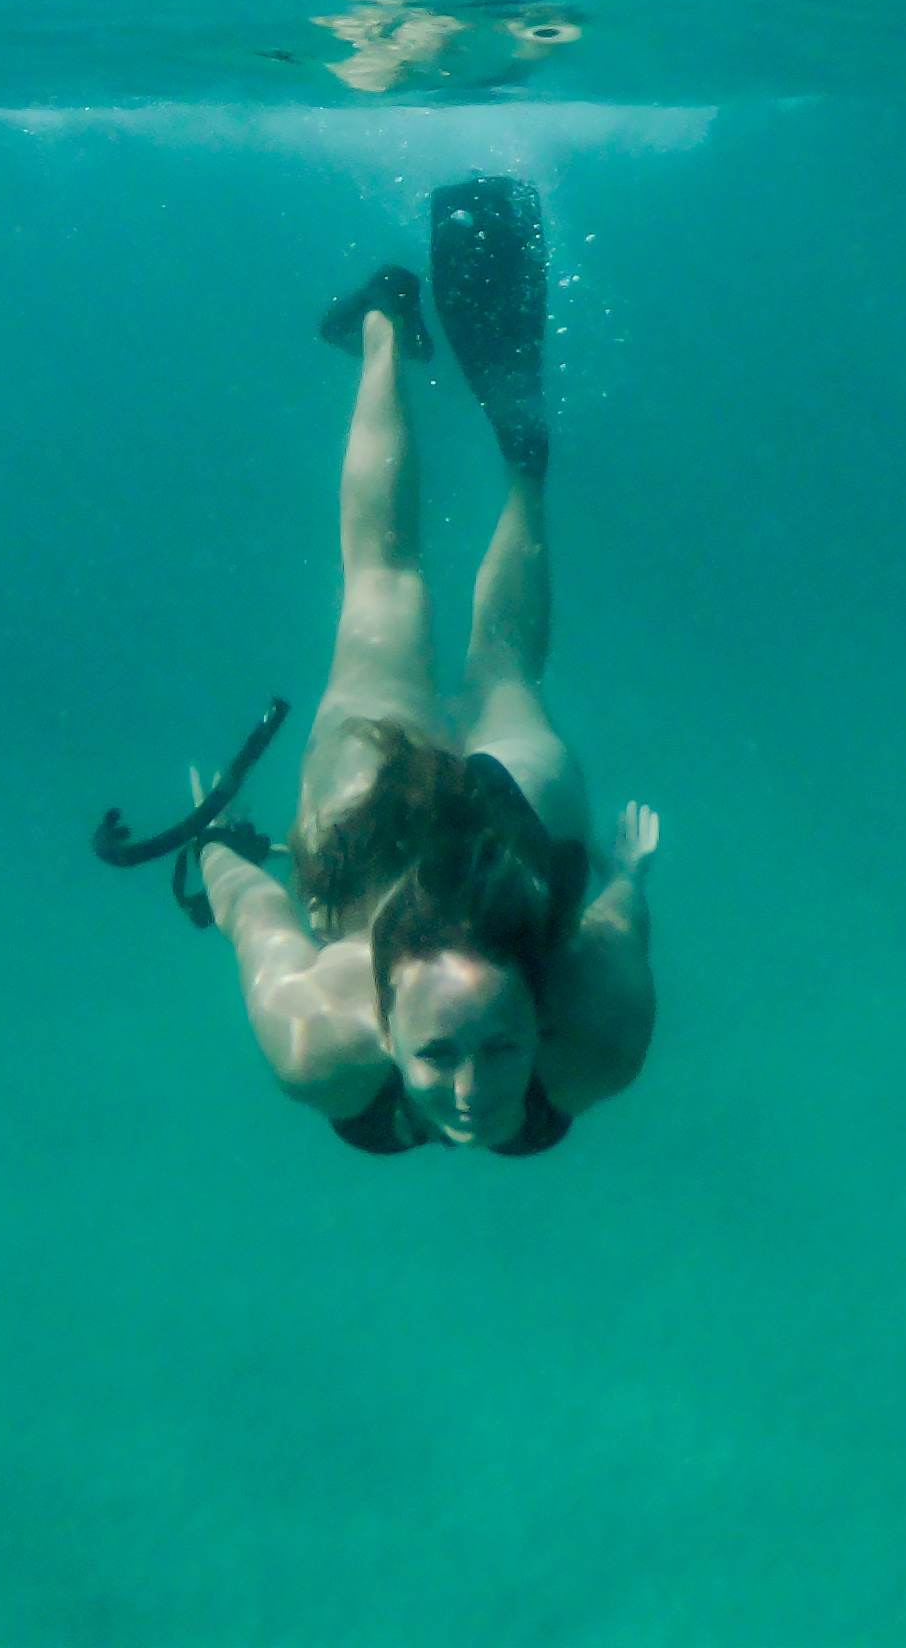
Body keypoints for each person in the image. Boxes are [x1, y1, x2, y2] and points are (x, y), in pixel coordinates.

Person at [193, 177, 657, 1155]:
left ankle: (385, 327)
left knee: (387, 590)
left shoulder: (313, 1049)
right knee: (471, 647)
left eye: (495, 1048)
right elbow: (614, 926)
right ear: (385, 1028)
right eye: (444, 1052)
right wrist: (623, 874)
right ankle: (506, 441)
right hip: (522, 827)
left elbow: (257, 916)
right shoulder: (596, 1043)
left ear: (543, 1018)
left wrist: (215, 853)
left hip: (366, 819)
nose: (474, 1093)